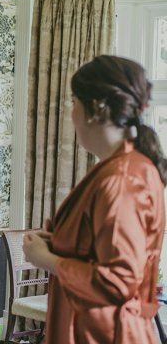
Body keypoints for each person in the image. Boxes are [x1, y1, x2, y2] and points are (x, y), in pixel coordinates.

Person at [22, 55, 167, 343]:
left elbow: (118, 281)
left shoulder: (122, 179)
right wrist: (60, 240)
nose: (71, 113)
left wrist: (46, 258)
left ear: (94, 110)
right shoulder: (119, 169)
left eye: (73, 102)